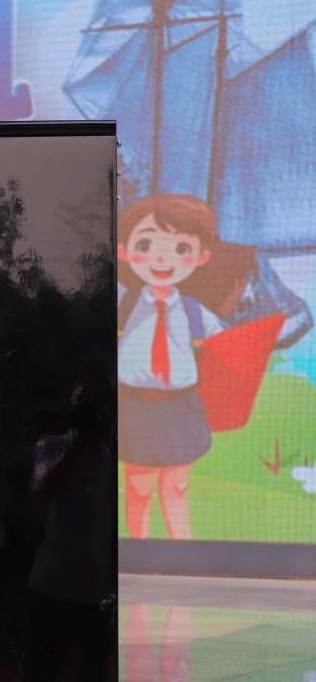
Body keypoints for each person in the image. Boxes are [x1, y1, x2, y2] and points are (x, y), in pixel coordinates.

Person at [117, 193, 224, 539]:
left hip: (181, 407)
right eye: (146, 245)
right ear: (124, 251)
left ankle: (183, 551)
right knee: (138, 486)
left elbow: (228, 348)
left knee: (177, 486)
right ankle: (137, 549)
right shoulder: (123, 304)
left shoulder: (196, 312)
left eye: (181, 248)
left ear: (202, 256)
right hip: (134, 405)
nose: (162, 258)